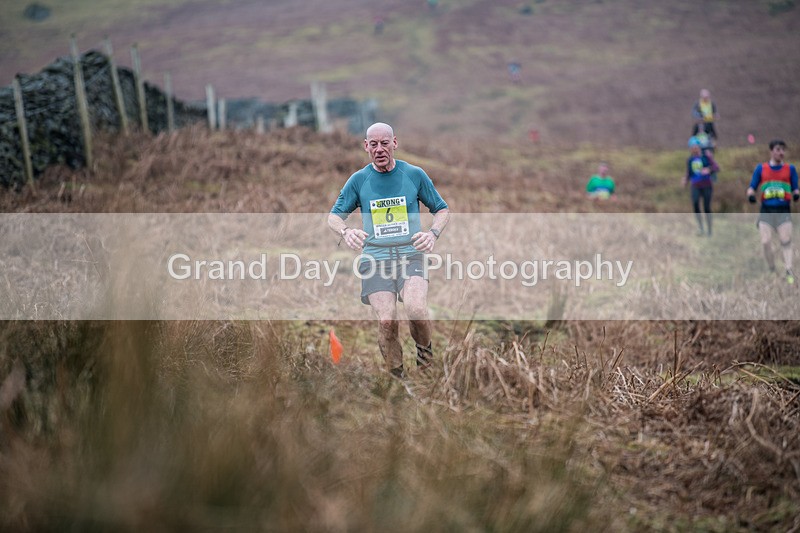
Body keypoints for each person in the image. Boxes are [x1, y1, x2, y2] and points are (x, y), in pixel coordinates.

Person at [328, 123, 450, 378]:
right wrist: (347, 232)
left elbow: (441, 209)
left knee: (416, 309)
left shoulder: (414, 174)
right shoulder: (359, 180)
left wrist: (432, 234)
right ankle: (398, 378)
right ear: (366, 147)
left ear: (395, 143)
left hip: (411, 255)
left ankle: (425, 357)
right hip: (375, 260)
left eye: (385, 143)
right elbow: (334, 217)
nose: (380, 149)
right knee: (387, 321)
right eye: (374, 144)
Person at [746, 139, 800, 284]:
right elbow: (751, 187)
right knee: (765, 242)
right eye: (778, 149)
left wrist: (796, 194)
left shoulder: (790, 169)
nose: (781, 152)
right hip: (766, 211)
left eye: (783, 149)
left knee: (786, 240)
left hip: (783, 211)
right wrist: (750, 195)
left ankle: (789, 270)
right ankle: (772, 268)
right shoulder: (761, 169)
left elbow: (796, 188)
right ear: (771, 151)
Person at [683, 136, 719, 236]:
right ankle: (701, 228)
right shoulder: (690, 160)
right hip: (695, 185)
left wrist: (708, 170)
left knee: (707, 207)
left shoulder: (706, 156)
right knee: (695, 204)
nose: (694, 149)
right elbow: (689, 172)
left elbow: (716, 167)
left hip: (706, 185)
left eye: (695, 146)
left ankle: (709, 230)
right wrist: (685, 180)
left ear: (699, 147)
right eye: (692, 147)